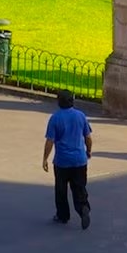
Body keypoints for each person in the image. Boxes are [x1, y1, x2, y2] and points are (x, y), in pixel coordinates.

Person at [42, 88, 93, 229]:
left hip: (62, 162)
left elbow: (50, 141)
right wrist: (88, 151)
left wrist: (45, 159)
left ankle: (62, 215)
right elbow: (88, 137)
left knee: (61, 190)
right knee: (79, 187)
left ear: (59, 102)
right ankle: (83, 207)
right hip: (79, 160)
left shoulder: (55, 118)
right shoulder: (81, 116)